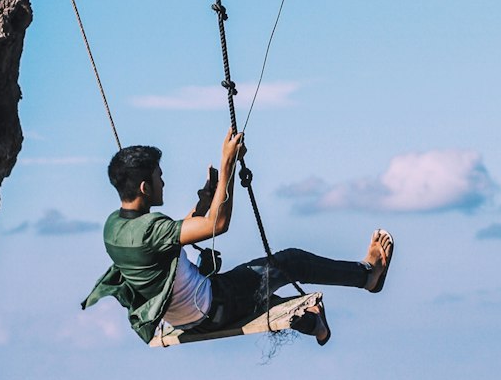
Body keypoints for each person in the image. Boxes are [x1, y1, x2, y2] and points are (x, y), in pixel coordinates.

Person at [81, 130, 394, 347]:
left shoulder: (115, 227)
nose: (163, 180)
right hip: (216, 306)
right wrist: (228, 162)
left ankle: (316, 326)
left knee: (268, 296)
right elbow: (218, 224)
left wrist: (204, 201)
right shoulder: (152, 228)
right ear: (145, 188)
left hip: (187, 318)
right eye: (158, 177)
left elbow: (168, 240)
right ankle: (368, 276)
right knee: (291, 262)